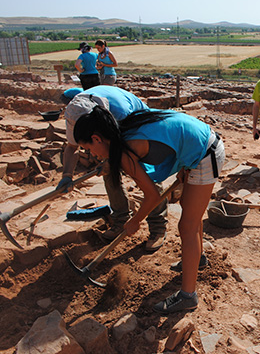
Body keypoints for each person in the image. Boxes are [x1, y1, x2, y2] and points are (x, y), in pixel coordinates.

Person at [73, 107, 225, 313]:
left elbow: (152, 195)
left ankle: (188, 296)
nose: (91, 154)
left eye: (88, 148)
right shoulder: (123, 132)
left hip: (205, 153)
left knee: (187, 225)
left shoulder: (126, 149)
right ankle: (197, 260)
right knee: (189, 211)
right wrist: (184, 165)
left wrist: (135, 220)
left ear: (96, 138)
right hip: (198, 147)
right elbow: (172, 135)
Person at [57, 86, 168, 252]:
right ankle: (120, 221)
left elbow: (126, 144)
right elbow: (72, 147)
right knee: (108, 172)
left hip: (140, 129)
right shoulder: (74, 114)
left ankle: (158, 228)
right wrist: (66, 175)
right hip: (111, 131)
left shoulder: (120, 112)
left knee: (147, 173)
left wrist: (113, 160)